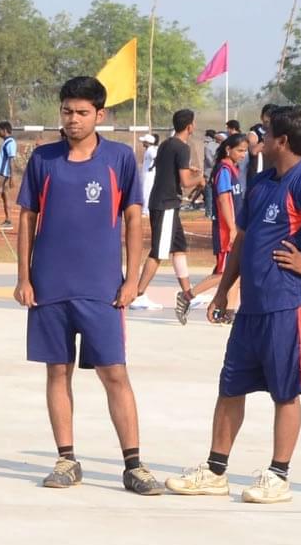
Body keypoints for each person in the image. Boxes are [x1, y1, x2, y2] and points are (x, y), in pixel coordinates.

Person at [165, 105, 301, 504]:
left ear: (282, 142)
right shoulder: (262, 183)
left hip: (290, 306)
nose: (260, 141)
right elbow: (243, 239)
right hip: (252, 310)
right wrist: (223, 292)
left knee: (285, 392)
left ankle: (278, 475)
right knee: (230, 387)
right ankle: (215, 470)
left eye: (267, 135)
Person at [13, 76, 162, 495]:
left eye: (82, 113)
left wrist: (131, 280)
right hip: (49, 287)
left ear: (101, 115)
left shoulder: (119, 159)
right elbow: (26, 218)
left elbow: (134, 219)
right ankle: (66, 458)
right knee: (57, 371)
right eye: (66, 111)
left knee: (115, 373)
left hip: (102, 288)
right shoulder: (43, 160)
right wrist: (24, 278)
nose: (73, 120)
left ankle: (133, 464)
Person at [136, 109, 203, 308]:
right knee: (159, 251)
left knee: (179, 248)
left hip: (164, 201)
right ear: (190, 126)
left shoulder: (166, 144)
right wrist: (200, 179)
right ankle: (138, 294)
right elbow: (185, 182)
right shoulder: (182, 147)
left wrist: (188, 170)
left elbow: (169, 168)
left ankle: (188, 293)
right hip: (166, 203)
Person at [177, 134, 244, 324]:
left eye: (245, 151)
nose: (243, 154)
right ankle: (188, 295)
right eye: (240, 150)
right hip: (226, 229)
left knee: (236, 271)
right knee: (224, 273)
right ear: (228, 149)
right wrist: (231, 228)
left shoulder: (233, 170)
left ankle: (228, 312)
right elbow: (224, 200)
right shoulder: (223, 170)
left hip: (234, 227)